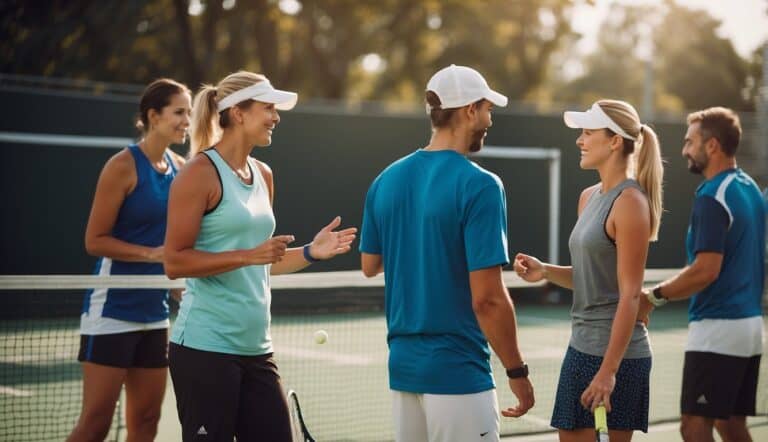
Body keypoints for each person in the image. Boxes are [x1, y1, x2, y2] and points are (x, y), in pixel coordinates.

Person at [163, 71, 356, 442]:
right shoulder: (198, 174)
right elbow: (175, 262)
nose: (276, 117)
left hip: (256, 350)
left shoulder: (264, 174)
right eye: (268, 108)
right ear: (238, 113)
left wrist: (312, 253)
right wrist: (248, 256)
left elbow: (266, 259)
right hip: (204, 349)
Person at [360, 64, 535, 442]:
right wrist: (517, 372)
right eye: (488, 108)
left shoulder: (384, 180)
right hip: (459, 374)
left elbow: (369, 265)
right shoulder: (482, 185)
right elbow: (488, 299)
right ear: (470, 110)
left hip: (403, 374)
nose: (490, 119)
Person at [515, 100, 664, 441]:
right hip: (580, 348)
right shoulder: (588, 197)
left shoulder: (630, 204)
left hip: (619, 359)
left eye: (587, 133)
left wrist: (608, 372)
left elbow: (629, 296)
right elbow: (592, 276)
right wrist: (546, 272)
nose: (580, 141)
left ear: (614, 141)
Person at [68, 78, 190, 442]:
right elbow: (95, 240)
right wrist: (152, 254)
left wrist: (181, 284)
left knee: (148, 420)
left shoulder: (182, 168)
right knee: (96, 424)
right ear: (153, 116)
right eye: (179, 112)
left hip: (155, 314)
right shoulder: (121, 166)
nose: (187, 120)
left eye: (189, 112)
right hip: (111, 310)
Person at [639, 107, 765, 442]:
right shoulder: (749, 188)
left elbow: (705, 270)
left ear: (712, 146)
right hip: (750, 328)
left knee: (694, 426)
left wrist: (652, 297)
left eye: (690, 142)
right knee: (730, 424)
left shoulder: (712, 195)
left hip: (717, 329)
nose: (683, 150)